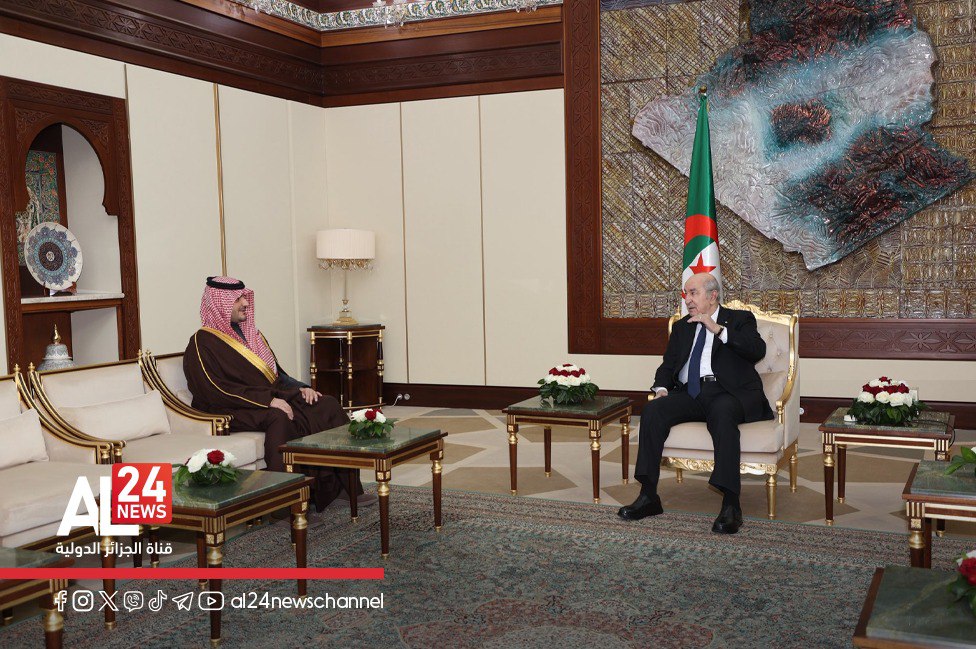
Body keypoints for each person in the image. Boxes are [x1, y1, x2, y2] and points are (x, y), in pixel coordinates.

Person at [183, 276, 371, 511]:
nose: (245, 303)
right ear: (220, 304)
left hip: (264, 398)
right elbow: (215, 389)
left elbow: (276, 375)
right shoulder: (201, 343)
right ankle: (285, 506)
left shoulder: (251, 335)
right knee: (279, 417)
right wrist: (269, 401)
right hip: (229, 408)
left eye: (245, 297)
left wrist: (302, 388)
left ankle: (343, 489)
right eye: (238, 299)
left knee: (327, 405)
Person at [617, 273, 773, 534]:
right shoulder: (683, 327)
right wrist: (662, 389)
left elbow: (757, 350)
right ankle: (648, 496)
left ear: (712, 296)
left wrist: (718, 329)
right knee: (653, 410)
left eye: (693, 293)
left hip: (727, 392)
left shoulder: (739, 319)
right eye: (685, 294)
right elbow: (668, 365)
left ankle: (731, 504)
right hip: (690, 393)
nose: (687, 299)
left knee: (723, 412)